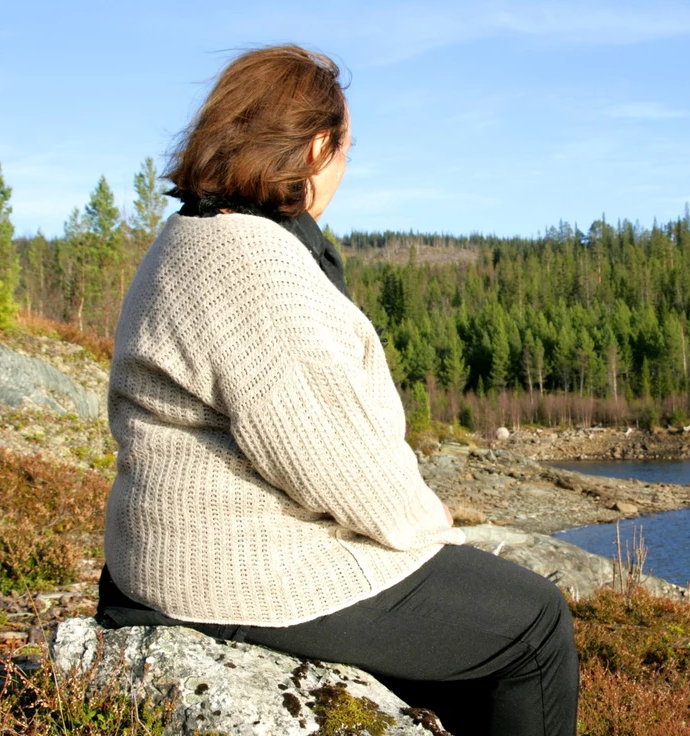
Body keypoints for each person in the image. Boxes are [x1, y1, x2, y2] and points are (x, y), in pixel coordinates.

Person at [96, 44, 579, 736]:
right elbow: (325, 453)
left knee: (465, 634)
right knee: (534, 624)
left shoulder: (191, 235)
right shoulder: (250, 263)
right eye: (348, 148)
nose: (346, 166)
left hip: (166, 552)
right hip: (228, 572)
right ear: (319, 146)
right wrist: (424, 521)